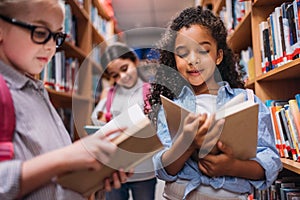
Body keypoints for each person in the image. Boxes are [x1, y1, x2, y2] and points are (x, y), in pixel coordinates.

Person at [0, 0, 131, 199]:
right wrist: (66, 158)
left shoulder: (36, 91)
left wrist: (93, 176)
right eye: (41, 33)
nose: (52, 47)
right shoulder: (5, 93)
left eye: (58, 36)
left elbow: (55, 180)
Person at [148, 6, 282, 200]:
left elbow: (270, 163)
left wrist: (233, 166)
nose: (192, 60)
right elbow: (163, 169)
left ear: (218, 56)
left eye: (202, 50)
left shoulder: (248, 101)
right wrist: (187, 143)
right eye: (183, 53)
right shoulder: (170, 109)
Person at [91, 42, 157, 200]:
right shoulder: (109, 95)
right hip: (115, 171)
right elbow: (97, 120)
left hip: (144, 171)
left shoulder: (150, 91)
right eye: (115, 75)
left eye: (125, 68)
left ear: (134, 61)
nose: (122, 77)